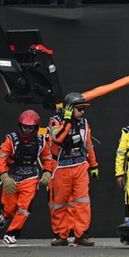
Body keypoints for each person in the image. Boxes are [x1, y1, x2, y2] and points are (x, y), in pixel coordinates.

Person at [47, 91, 98, 247]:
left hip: (80, 166)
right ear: (69, 109)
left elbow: (88, 144)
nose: (82, 112)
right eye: (79, 109)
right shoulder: (55, 121)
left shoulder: (84, 123)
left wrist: (94, 165)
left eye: (84, 109)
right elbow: (58, 138)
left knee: (83, 202)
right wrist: (68, 121)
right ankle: (61, 235)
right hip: (61, 168)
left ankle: (81, 234)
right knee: (59, 203)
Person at [0, 109, 52, 246]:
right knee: (9, 209)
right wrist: (4, 176)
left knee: (24, 208)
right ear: (20, 126)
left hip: (30, 177)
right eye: (25, 127)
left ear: (36, 128)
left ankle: (11, 233)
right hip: (11, 177)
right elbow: (1, 158)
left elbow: (47, 157)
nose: (27, 130)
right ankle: (5, 215)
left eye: (30, 128)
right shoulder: (11, 139)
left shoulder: (41, 141)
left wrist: (47, 172)